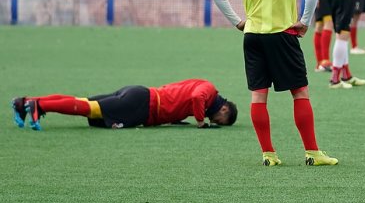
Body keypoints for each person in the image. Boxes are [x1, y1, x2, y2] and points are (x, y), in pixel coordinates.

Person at [211, 0, 338, 167]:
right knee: (299, 91)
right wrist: (304, 21)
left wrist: (238, 22)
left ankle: (269, 155)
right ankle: (312, 153)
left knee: (259, 96)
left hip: (253, 36)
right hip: (282, 35)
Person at [10, 79, 237, 131]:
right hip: (141, 105)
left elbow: (179, 94)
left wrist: (176, 117)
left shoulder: (205, 90)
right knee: (88, 108)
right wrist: (199, 122)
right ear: (224, 109)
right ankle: (40, 106)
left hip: (140, 96)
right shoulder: (208, 90)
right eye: (219, 119)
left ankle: (28, 102)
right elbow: (196, 98)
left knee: (83, 103)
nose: (212, 120)